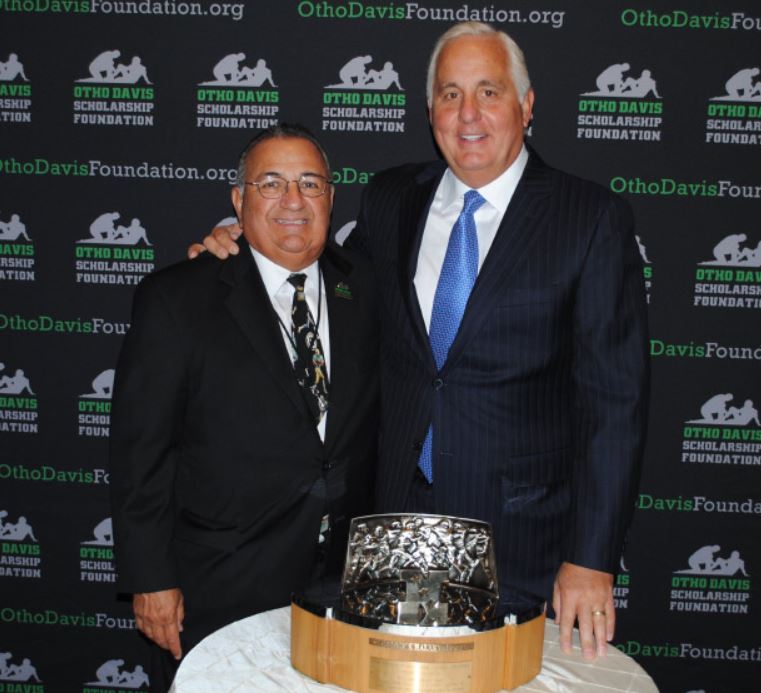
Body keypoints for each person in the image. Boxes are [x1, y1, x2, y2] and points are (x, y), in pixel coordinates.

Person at [191, 21, 648, 661]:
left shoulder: (589, 218)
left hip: (520, 544)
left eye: (488, 91)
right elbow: (319, 279)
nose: (469, 114)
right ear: (428, 107)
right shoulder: (390, 199)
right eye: (450, 93)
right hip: (387, 532)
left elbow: (615, 405)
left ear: (527, 104)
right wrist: (239, 243)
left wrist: (591, 559)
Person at [111, 124, 378, 691]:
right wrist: (151, 580)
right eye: (271, 183)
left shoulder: (368, 290)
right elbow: (141, 455)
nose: (292, 201)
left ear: (331, 198)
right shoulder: (177, 299)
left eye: (310, 183)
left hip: (340, 596)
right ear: (239, 200)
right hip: (218, 590)